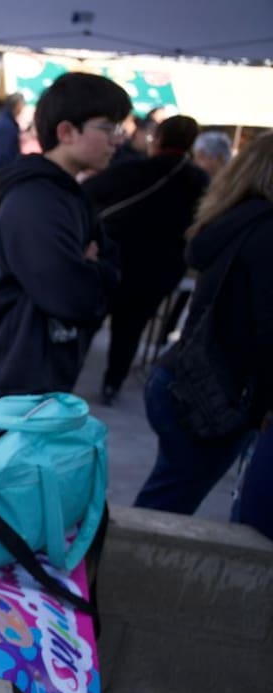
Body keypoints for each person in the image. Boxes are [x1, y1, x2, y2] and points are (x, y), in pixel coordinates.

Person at [134, 131, 273, 528]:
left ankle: (114, 573)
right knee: (167, 507)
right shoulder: (264, 231)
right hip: (213, 391)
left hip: (181, 378)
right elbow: (266, 332)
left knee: (168, 495)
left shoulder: (234, 218)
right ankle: (113, 578)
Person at [0, 72, 131, 404]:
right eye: (108, 127)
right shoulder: (35, 199)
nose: (118, 140)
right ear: (66, 131)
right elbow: (72, 296)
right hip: (12, 388)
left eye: (120, 129)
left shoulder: (68, 193)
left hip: (37, 380)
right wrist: (95, 272)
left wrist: (94, 269)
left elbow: (111, 267)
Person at [83, 115, 210, 405]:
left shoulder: (134, 169)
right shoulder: (199, 181)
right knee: (131, 328)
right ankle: (112, 384)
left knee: (91, 319)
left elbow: (88, 192)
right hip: (161, 269)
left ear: (160, 139)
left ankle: (68, 376)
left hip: (115, 258)